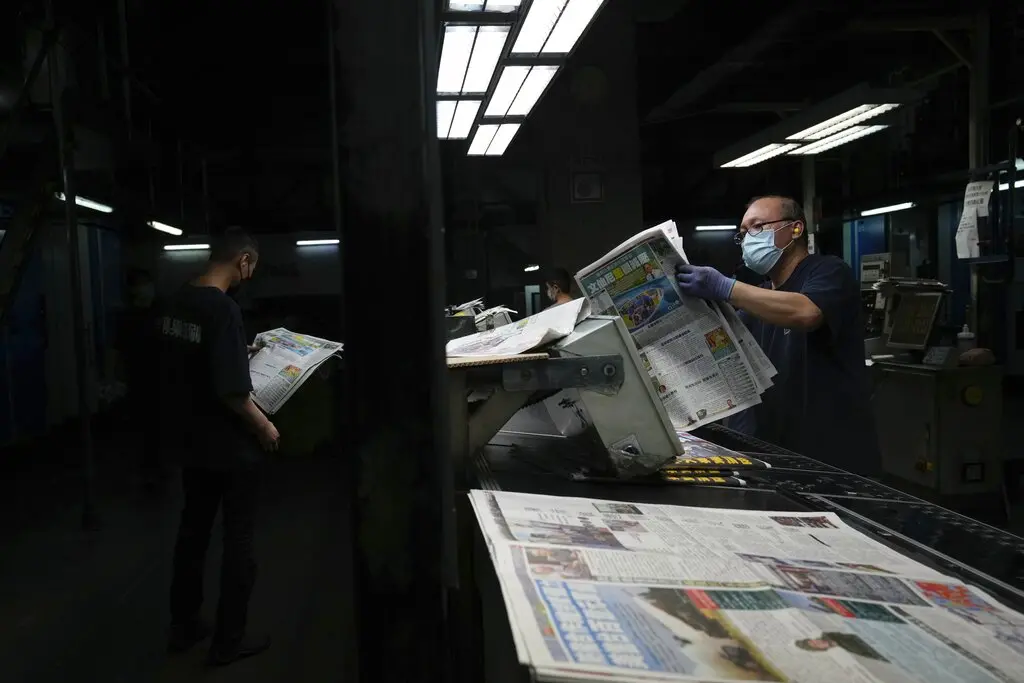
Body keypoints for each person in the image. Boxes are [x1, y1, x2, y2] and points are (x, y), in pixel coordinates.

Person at [675, 196, 880, 476]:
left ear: (795, 229)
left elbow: (806, 312)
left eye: (757, 227)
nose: (748, 239)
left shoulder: (829, 271)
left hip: (833, 457)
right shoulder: (757, 301)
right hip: (781, 456)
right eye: (743, 234)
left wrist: (725, 287)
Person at [159, 227, 279, 666]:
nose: (249, 276)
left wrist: (236, 350)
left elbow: (190, 360)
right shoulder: (223, 309)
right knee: (239, 542)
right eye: (252, 268)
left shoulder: (178, 299)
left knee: (192, 533)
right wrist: (264, 426)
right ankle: (228, 642)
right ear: (243, 260)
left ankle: (184, 625)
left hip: (191, 441)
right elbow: (232, 392)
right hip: (229, 446)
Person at [116, 268, 165, 494]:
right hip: (138, 381)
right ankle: (147, 472)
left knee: (161, 428)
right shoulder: (127, 318)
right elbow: (119, 351)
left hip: (162, 379)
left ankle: (160, 470)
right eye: (140, 284)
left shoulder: (161, 312)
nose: (145, 289)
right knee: (143, 430)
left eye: (147, 283)